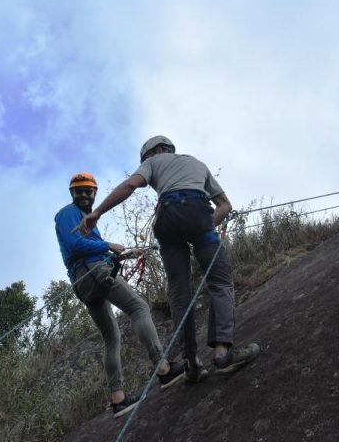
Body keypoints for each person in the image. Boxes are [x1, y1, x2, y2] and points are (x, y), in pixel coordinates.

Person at [78, 136, 260, 385]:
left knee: (179, 291)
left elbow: (130, 185)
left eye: (145, 158)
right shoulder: (197, 163)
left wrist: (97, 212)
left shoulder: (153, 162)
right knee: (220, 282)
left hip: (167, 217)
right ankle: (222, 353)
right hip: (198, 212)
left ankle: (191, 363)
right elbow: (225, 205)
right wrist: (204, 228)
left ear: (155, 152)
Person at [55, 172, 185, 418]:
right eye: (79, 191)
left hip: (85, 280)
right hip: (91, 272)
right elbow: (75, 246)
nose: (84, 195)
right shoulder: (68, 213)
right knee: (139, 308)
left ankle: (118, 399)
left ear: (94, 193)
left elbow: (88, 248)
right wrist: (108, 245)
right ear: (72, 193)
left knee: (111, 337)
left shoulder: (86, 220)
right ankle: (163, 368)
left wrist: (121, 255)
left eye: (88, 191)